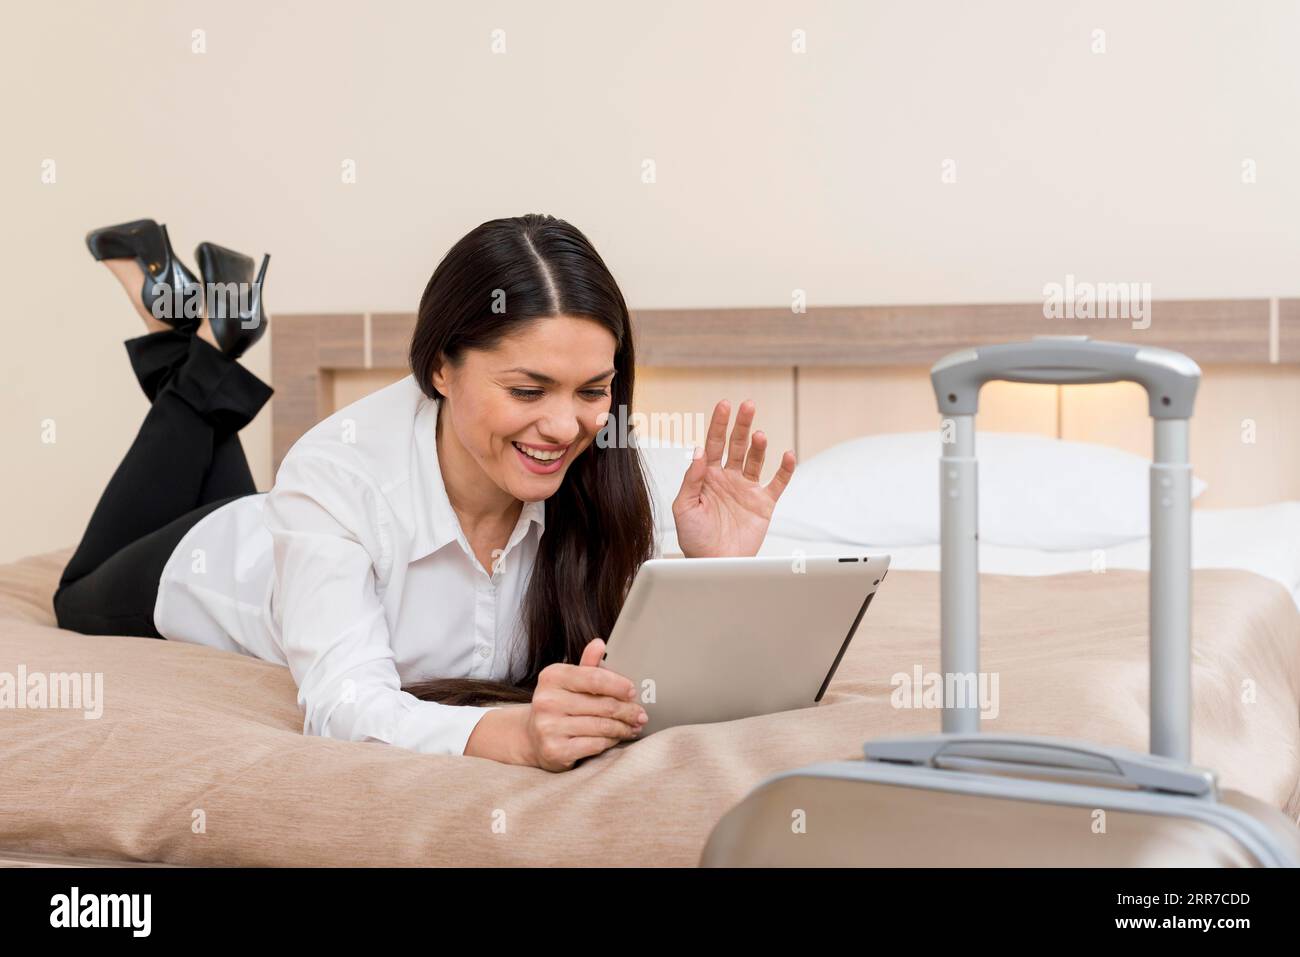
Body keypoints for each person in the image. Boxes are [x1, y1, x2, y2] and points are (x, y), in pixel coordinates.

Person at [54, 213, 797, 772]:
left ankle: (198, 331)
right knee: (76, 594)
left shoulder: (606, 475)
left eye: (593, 390)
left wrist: (709, 569)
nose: (566, 425)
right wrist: (513, 736)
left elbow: (650, 682)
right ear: (440, 367)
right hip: (219, 557)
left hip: (285, 527)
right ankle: (208, 346)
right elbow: (342, 704)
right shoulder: (337, 476)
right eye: (528, 388)